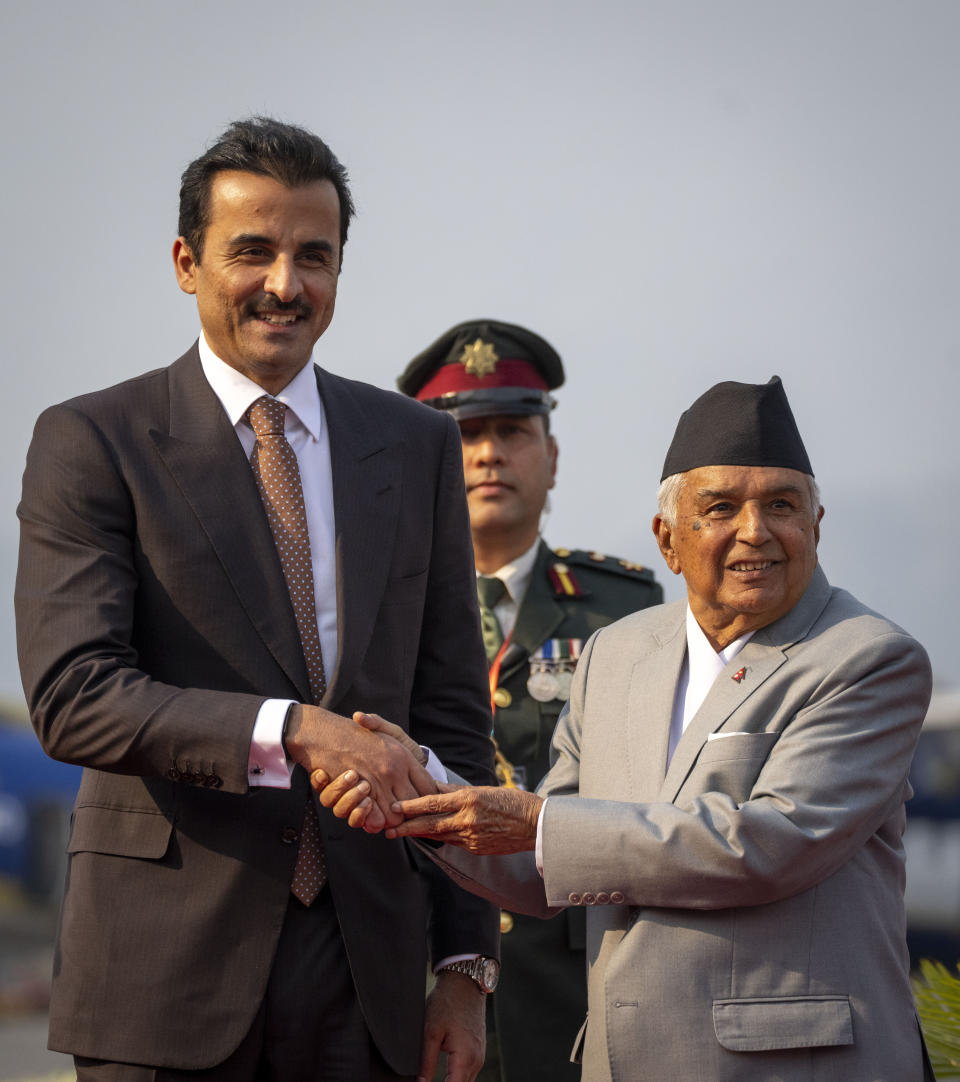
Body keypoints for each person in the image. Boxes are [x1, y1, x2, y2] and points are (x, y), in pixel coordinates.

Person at [14, 117, 500, 1082]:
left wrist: (461, 965)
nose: (286, 283)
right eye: (254, 251)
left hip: (370, 977)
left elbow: (452, 714)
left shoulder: (413, 447)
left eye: (313, 256)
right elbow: (74, 694)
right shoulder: (94, 442)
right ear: (187, 262)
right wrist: (301, 734)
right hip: (165, 977)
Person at [317, 376, 936, 1081]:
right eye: (722, 507)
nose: (755, 531)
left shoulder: (867, 657)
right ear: (668, 541)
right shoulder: (616, 654)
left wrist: (541, 826)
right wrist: (416, 791)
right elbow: (541, 866)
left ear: (817, 529)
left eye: (782, 505)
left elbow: (770, 843)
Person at [398, 319, 662, 1081]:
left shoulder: (626, 608)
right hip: (418, 960)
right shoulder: (374, 609)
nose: (486, 453)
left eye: (512, 430)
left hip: (573, 974)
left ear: (551, 457)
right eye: (465, 434)